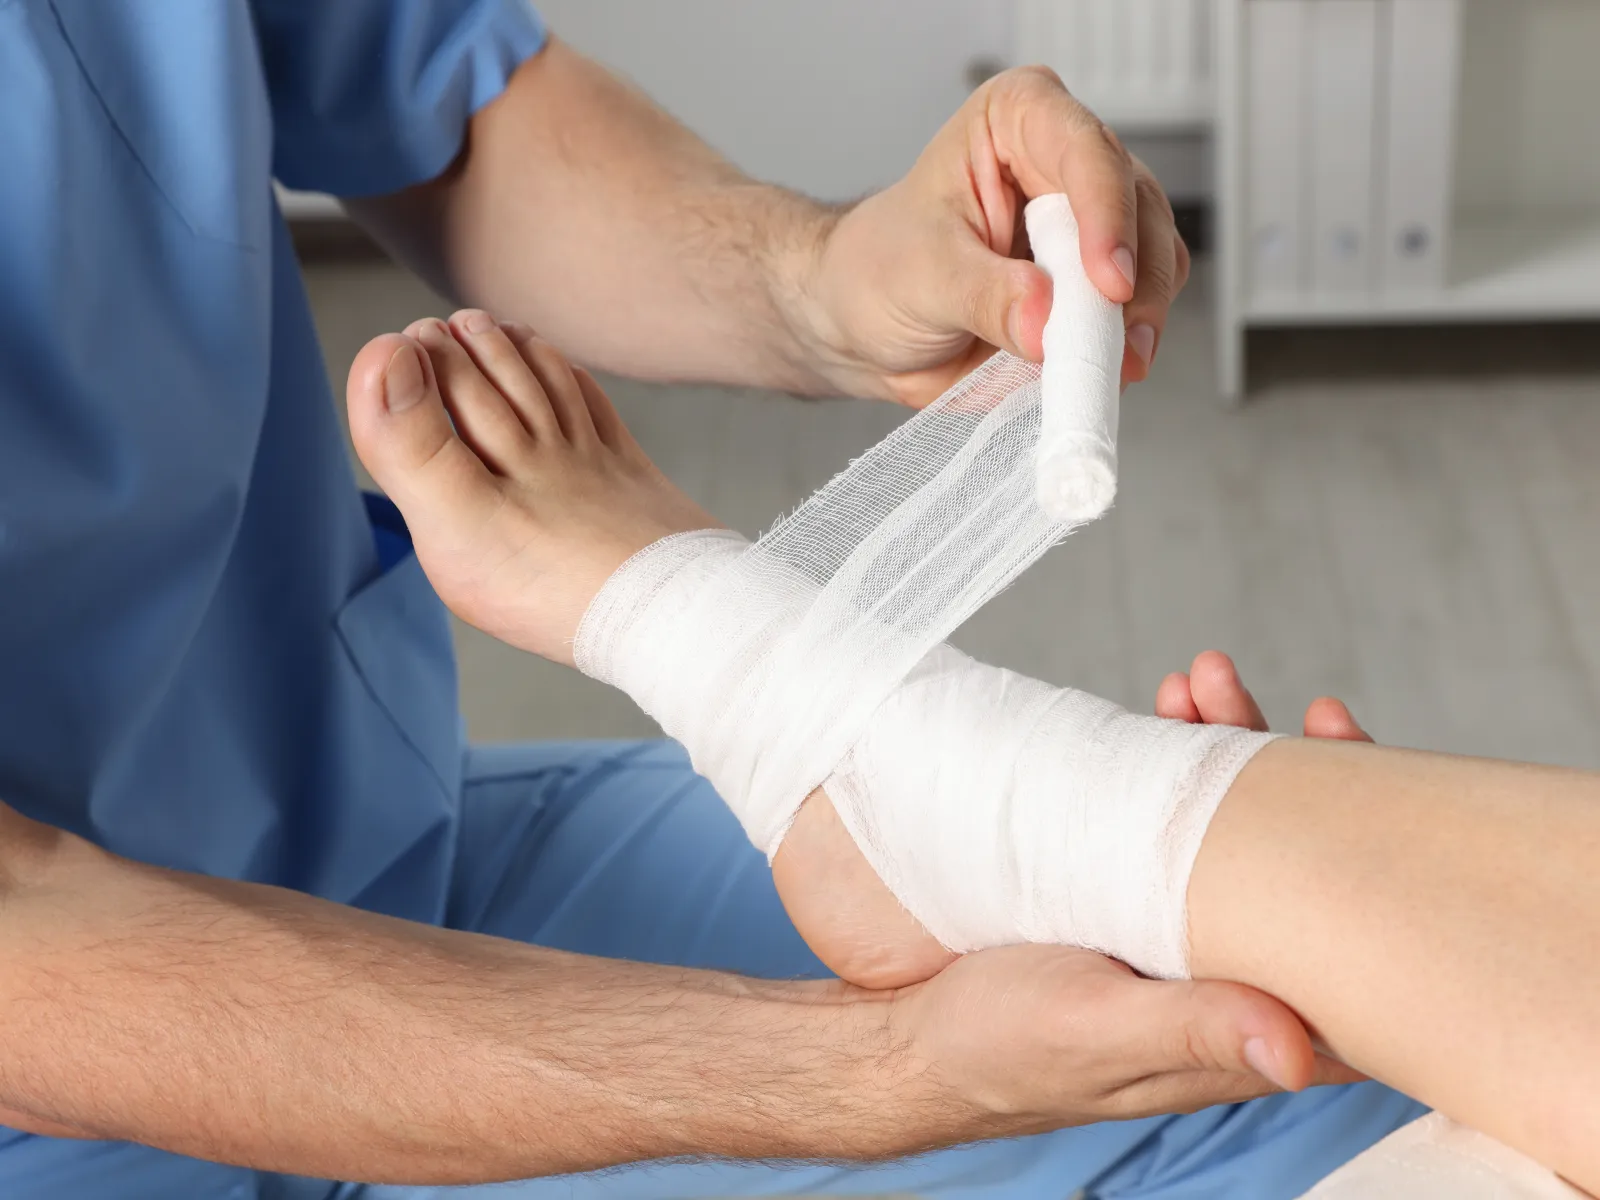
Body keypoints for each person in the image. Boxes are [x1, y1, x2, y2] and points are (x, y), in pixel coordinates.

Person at [0, 2, 1424, 1196]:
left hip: (372, 862)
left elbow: (441, 112)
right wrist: (874, 1076)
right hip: (66, 1099)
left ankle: (866, 753)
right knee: (1309, 957)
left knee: (1344, 1041)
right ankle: (846, 732)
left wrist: (824, 280)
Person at [338, 308, 1600, 1192]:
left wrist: (819, 265)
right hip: (256, 1094)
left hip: (399, 848)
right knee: (1420, 1039)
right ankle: (1120, 833)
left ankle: (1073, 821)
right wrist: (887, 1076)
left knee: (1397, 1050)